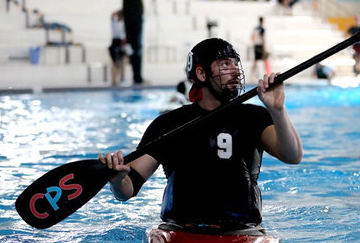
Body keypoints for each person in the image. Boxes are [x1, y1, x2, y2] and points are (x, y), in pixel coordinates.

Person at [98, 38, 303, 231]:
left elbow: (292, 156)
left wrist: (278, 110)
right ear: (201, 73)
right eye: (224, 64)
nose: (235, 71)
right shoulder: (168, 124)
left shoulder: (253, 117)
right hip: (178, 230)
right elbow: (128, 188)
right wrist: (117, 180)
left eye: (235, 64)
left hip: (243, 231)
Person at [108, 10, 127, 86]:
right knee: (114, 63)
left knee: (120, 63)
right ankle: (113, 80)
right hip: (115, 43)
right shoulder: (114, 22)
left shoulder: (123, 24)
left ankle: (118, 79)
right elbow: (112, 15)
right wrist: (118, 11)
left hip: (121, 43)